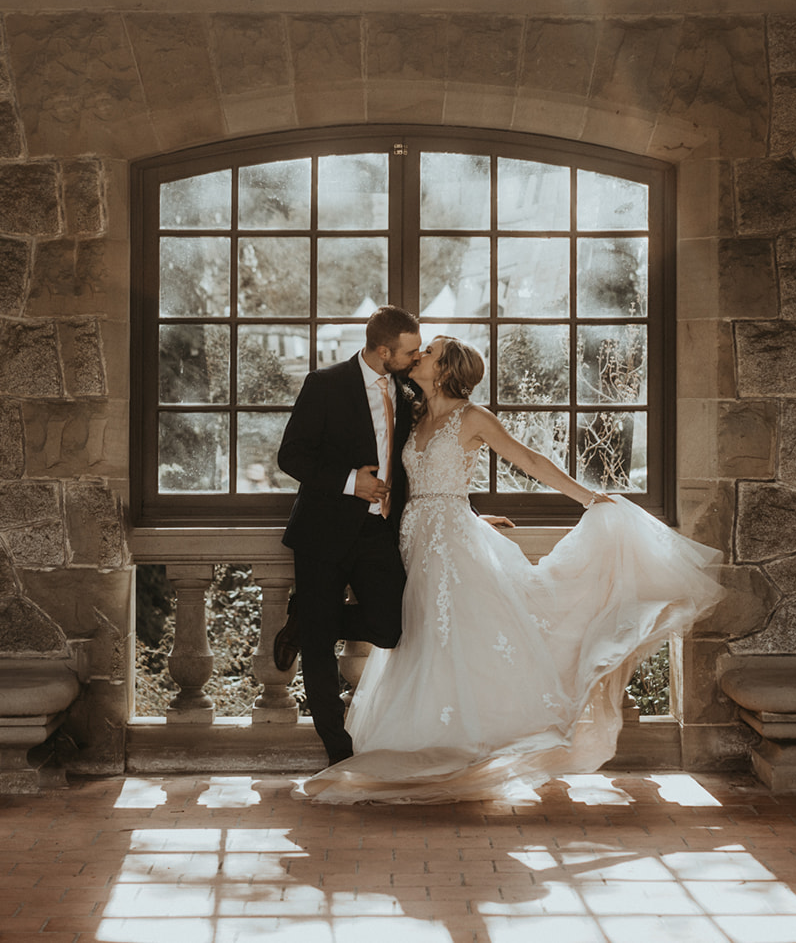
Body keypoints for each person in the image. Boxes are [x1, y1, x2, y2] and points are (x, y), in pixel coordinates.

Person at [299, 335, 723, 804]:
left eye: (429, 353)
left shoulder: (474, 417)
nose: (419, 357)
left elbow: (530, 460)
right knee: (419, 633)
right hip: (413, 539)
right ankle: (426, 735)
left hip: (450, 543)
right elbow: (413, 486)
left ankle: (461, 745)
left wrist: (586, 497)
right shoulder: (412, 415)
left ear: (445, 370)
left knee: (457, 636)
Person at [275, 305, 422, 765]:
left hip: (378, 531)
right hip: (321, 531)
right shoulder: (325, 384)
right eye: (410, 352)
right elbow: (290, 456)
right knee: (319, 649)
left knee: (393, 625)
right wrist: (349, 481)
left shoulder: (409, 390)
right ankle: (337, 749)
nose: (416, 358)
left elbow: (424, 463)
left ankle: (306, 619)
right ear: (384, 351)